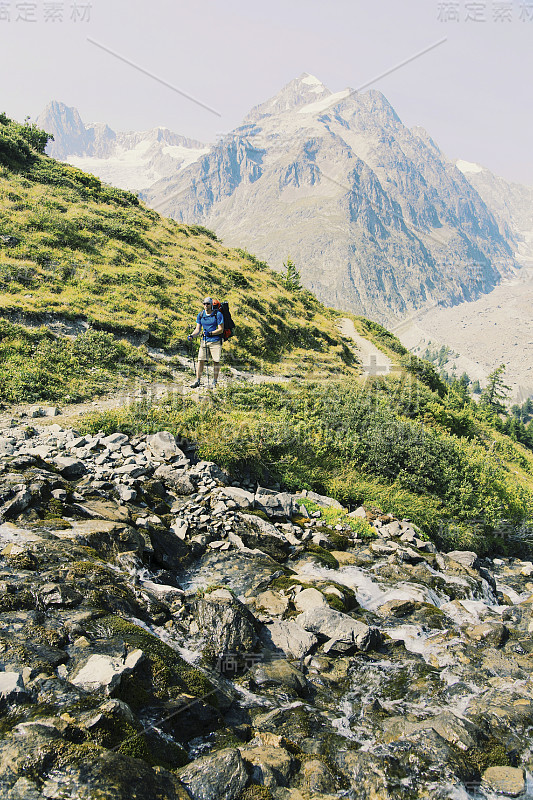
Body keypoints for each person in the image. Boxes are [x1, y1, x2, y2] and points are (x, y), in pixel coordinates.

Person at [188, 297, 224, 388]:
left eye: (207, 304)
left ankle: (214, 382)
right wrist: (192, 335)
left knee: (216, 361)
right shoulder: (200, 315)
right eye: (204, 303)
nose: (205, 305)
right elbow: (198, 329)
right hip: (204, 341)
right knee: (200, 360)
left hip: (215, 341)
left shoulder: (218, 314)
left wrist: (211, 333)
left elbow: (221, 329)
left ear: (211, 305)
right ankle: (197, 380)